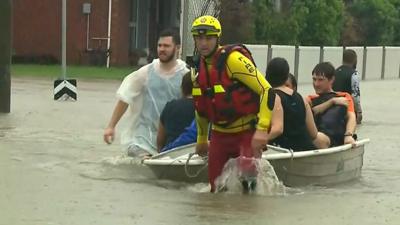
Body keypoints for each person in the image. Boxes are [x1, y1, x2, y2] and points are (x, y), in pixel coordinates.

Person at [190, 15, 273, 192]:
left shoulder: (233, 60)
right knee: (215, 190)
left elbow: (267, 90)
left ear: (218, 38)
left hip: (245, 135)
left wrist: (262, 129)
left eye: (209, 38)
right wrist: (202, 139)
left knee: (249, 189)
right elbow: (201, 106)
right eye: (199, 38)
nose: (203, 43)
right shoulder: (198, 68)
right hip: (219, 137)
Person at [103, 29, 189, 158]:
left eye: (166, 46)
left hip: (170, 137)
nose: (162, 49)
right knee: (143, 158)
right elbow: (125, 98)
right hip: (143, 137)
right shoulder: (146, 72)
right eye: (159, 45)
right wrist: (111, 126)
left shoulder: (186, 74)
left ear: (177, 48)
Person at [266, 57, 330, 151]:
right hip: (305, 150)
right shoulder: (301, 98)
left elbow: (278, 129)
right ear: (286, 75)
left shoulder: (273, 96)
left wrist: (257, 140)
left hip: (283, 151)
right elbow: (313, 134)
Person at [307, 62, 357, 147]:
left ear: (332, 80)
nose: (316, 84)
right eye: (314, 79)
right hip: (316, 134)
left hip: (334, 137)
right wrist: (332, 102)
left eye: (320, 80)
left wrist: (348, 136)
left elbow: (351, 117)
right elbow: (311, 112)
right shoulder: (310, 99)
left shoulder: (344, 96)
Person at [157, 72, 195, 152]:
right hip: (198, 153)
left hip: (171, 154)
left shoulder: (170, 106)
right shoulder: (207, 107)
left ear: (182, 88)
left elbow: (160, 142)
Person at [333, 49, 362, 124]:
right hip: (347, 110)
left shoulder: (334, 72)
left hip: (333, 108)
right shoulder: (354, 74)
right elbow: (355, 96)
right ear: (355, 60)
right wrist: (359, 112)